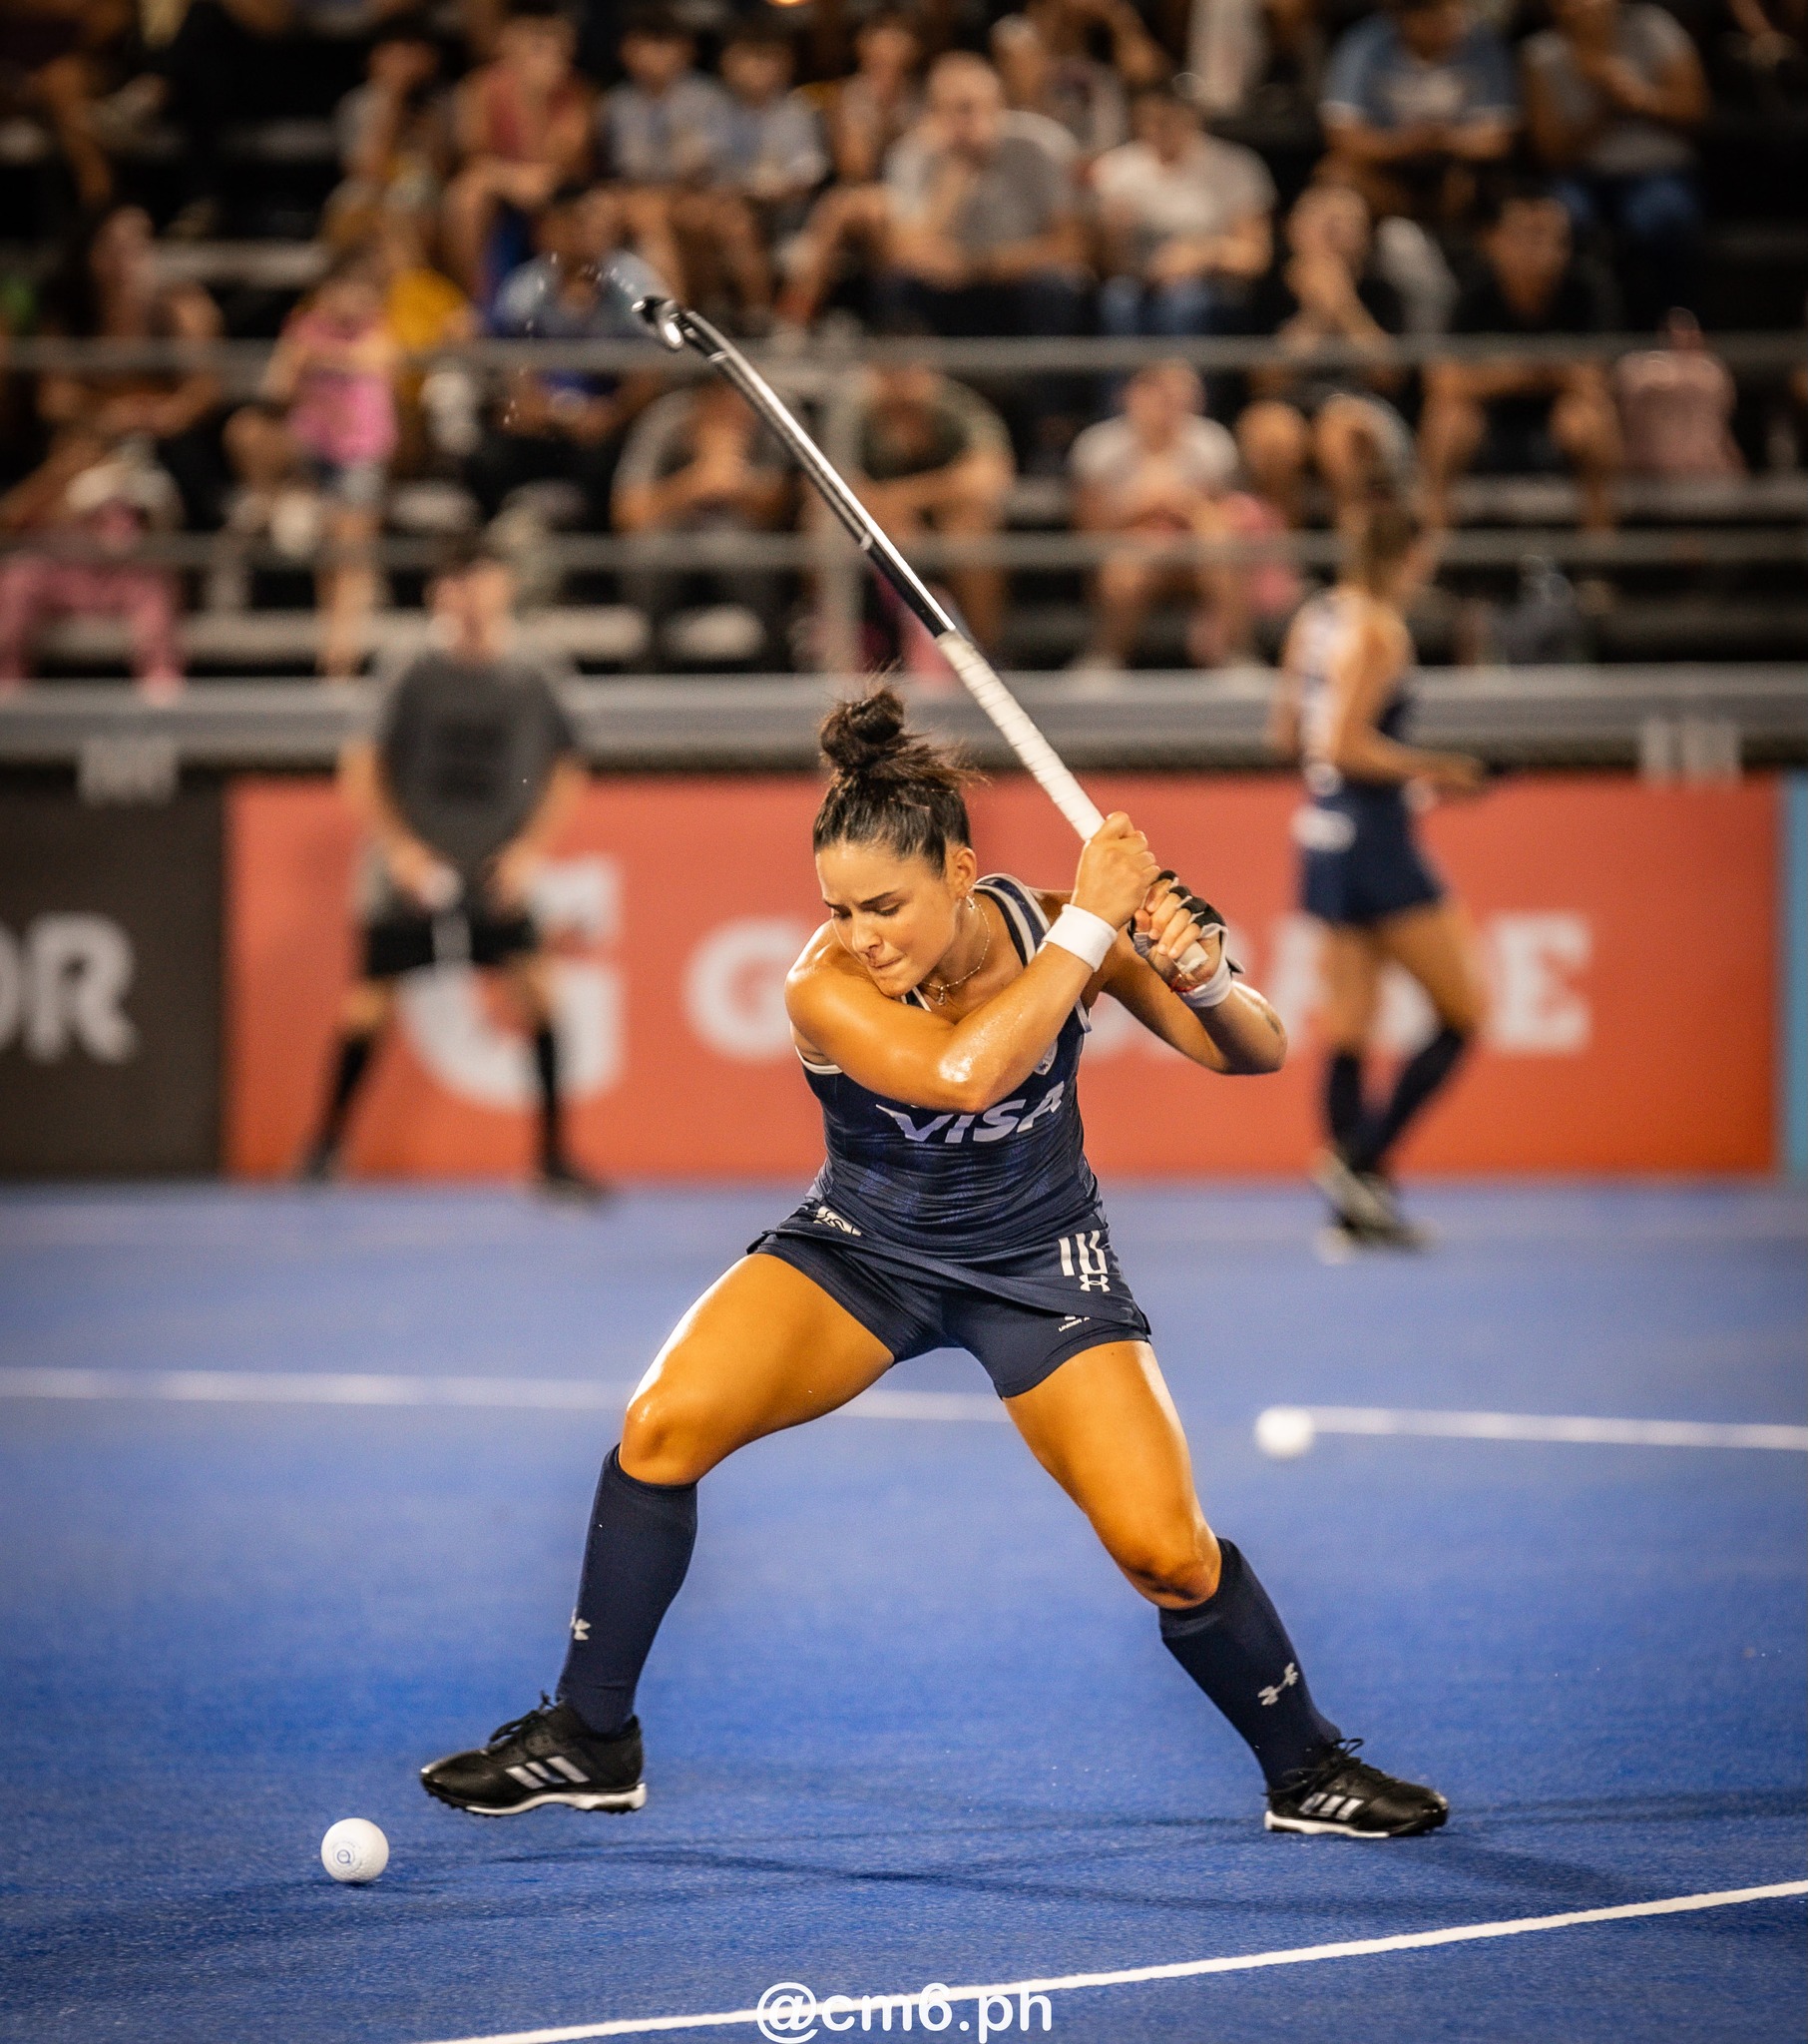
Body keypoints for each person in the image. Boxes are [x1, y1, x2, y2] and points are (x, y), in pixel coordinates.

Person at [420, 685, 1450, 1840]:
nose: (862, 934)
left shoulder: (1055, 928)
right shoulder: (824, 983)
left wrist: (1199, 970)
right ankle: (591, 1734)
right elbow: (966, 1074)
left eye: (886, 905)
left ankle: (1305, 1767)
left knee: (1167, 1551)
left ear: (961, 872)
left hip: (1040, 1263)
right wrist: (1093, 926)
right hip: (863, 1252)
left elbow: (1254, 1049)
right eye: (839, 906)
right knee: (660, 1428)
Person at [298, 542, 601, 1197]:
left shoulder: (534, 671)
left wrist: (527, 852)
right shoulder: (410, 667)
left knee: (537, 995)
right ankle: (324, 1148)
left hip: (495, 869)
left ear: (504, 588)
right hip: (413, 869)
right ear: (439, 594)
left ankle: (553, 1159)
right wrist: (400, 850)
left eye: (481, 583)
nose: (470, 599)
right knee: (368, 1003)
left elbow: (567, 764)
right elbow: (361, 765)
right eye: (457, 585)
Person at [1271, 498, 1486, 1250]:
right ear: (1408, 556)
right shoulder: (1381, 630)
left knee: (1350, 1022)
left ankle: (1354, 1211)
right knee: (1464, 1010)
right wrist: (1438, 770)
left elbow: (1289, 735)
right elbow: (1349, 745)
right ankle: (1359, 1161)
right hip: (1375, 837)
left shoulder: (1315, 619)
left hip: (1324, 831)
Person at [227, 247, 400, 679]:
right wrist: (295, 357)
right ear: (325, 291)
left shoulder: (378, 331)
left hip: (359, 461)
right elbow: (275, 394)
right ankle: (276, 502)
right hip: (309, 452)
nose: (352, 301)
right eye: (344, 289)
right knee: (246, 431)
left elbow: (376, 362)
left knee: (345, 552)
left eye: (363, 292)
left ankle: (338, 660)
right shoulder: (304, 329)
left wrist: (318, 356)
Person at [1419, 182, 1622, 530]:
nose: (1542, 250)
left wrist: (1501, 371)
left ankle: (1600, 549)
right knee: (1448, 420)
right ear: (1495, 241)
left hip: (1559, 413)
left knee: (1588, 420)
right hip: (1490, 415)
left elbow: (1596, 380)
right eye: (1527, 236)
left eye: (1554, 238)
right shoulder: (1474, 292)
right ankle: (1436, 543)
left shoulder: (1587, 289)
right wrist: (1532, 371)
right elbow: (1442, 381)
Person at [1069, 359, 1285, 670]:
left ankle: (1238, 653)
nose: (1168, 404)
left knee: (1221, 543)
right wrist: (1140, 512)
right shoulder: (1098, 447)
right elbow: (1090, 533)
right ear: (1131, 395)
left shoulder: (1212, 443)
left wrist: (1184, 506)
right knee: (1125, 569)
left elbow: (1221, 516)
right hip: (1131, 552)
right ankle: (1104, 658)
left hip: (1195, 551)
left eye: (1180, 394)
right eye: (1158, 392)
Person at [1236, 183, 1416, 528]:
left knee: (1340, 435)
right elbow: (1262, 381)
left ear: (1365, 236)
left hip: (1360, 404)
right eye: (1321, 219)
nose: (1332, 231)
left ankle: (1354, 552)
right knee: (1273, 435)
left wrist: (1345, 306)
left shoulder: (1381, 290)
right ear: (1294, 230)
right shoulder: (1267, 290)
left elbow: (1389, 376)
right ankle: (1284, 557)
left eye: (1345, 221)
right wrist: (1315, 315)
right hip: (1283, 404)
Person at [877, 52, 1088, 342]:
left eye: (969, 109)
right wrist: (953, 181)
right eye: (946, 110)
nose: (961, 122)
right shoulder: (912, 155)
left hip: (1016, 278)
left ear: (999, 106)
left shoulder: (1041, 146)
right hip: (948, 285)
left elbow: (1070, 246)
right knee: (902, 287)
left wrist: (982, 267)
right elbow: (901, 252)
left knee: (1054, 289)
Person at [1521, 0, 1708, 324]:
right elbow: (1552, 154)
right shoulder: (1541, 54)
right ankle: (1580, 329)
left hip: (1658, 171)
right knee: (1563, 221)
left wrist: (1640, 98)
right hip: (1582, 177)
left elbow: (1696, 112)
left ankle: (1678, 325)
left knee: (1664, 217)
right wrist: (1605, 103)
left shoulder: (1653, 28)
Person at [611, 382, 793, 666]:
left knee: (731, 542)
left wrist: (736, 479)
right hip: (674, 549)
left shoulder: (774, 412)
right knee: (654, 551)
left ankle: (775, 663)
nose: (730, 410)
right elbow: (628, 515)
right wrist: (697, 480)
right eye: (719, 399)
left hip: (749, 554)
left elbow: (783, 511)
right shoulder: (668, 418)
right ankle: (647, 668)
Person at [843, 363, 1016, 656]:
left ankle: (982, 657)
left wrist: (903, 499)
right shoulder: (854, 411)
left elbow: (990, 475)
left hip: (939, 520)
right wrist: (888, 516)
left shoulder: (956, 407)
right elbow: (825, 484)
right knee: (826, 523)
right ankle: (837, 658)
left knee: (972, 526)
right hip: (871, 523)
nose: (903, 384)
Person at [1094, 84, 1276, 341]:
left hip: (1208, 284)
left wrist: (1202, 255)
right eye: (1147, 121)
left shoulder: (1235, 166)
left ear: (1193, 118)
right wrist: (1114, 238)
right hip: (1138, 280)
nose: (1156, 130)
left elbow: (1256, 256)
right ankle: (1126, 370)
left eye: (1166, 121)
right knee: (1118, 300)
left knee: (1186, 303)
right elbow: (1103, 260)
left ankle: (1184, 369)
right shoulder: (1116, 168)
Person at [442, 0, 594, 299]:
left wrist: (535, 100)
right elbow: (473, 156)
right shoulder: (480, 87)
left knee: (574, 202)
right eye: (536, 42)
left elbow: (566, 161)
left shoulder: (576, 92)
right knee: (466, 198)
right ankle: (477, 302)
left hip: (556, 182)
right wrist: (513, 180)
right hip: (503, 181)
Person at [1320, 0, 1518, 227]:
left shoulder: (1484, 44)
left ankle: (1452, 243)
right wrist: (1404, 143)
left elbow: (1498, 140)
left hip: (1453, 166)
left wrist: (1442, 139)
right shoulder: (1363, 45)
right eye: (1435, 17)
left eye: (1455, 15)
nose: (1449, 26)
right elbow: (1342, 136)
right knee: (1337, 173)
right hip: (1388, 165)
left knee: (1482, 182)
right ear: (1403, 17)